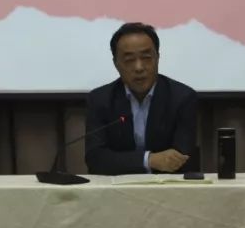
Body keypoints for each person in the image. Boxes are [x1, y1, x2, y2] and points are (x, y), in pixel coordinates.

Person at [85, 22, 199, 175]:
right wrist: (149, 160)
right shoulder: (100, 100)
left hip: (167, 186)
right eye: (129, 60)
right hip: (118, 186)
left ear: (157, 58)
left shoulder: (182, 98)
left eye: (146, 58)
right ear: (116, 63)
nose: (139, 67)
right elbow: (95, 159)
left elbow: (182, 158)